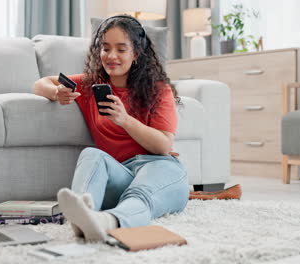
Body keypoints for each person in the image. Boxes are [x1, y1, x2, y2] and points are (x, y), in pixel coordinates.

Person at [33, 15, 189, 242]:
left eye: (121, 49)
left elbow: (163, 146)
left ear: (136, 53)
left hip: (161, 169)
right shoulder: (90, 86)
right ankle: (83, 212)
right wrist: (56, 93)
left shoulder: (158, 90)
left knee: (139, 195)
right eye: (105, 48)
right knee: (92, 155)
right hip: (122, 174)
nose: (111, 56)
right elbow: (40, 83)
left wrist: (125, 119)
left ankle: (105, 222)